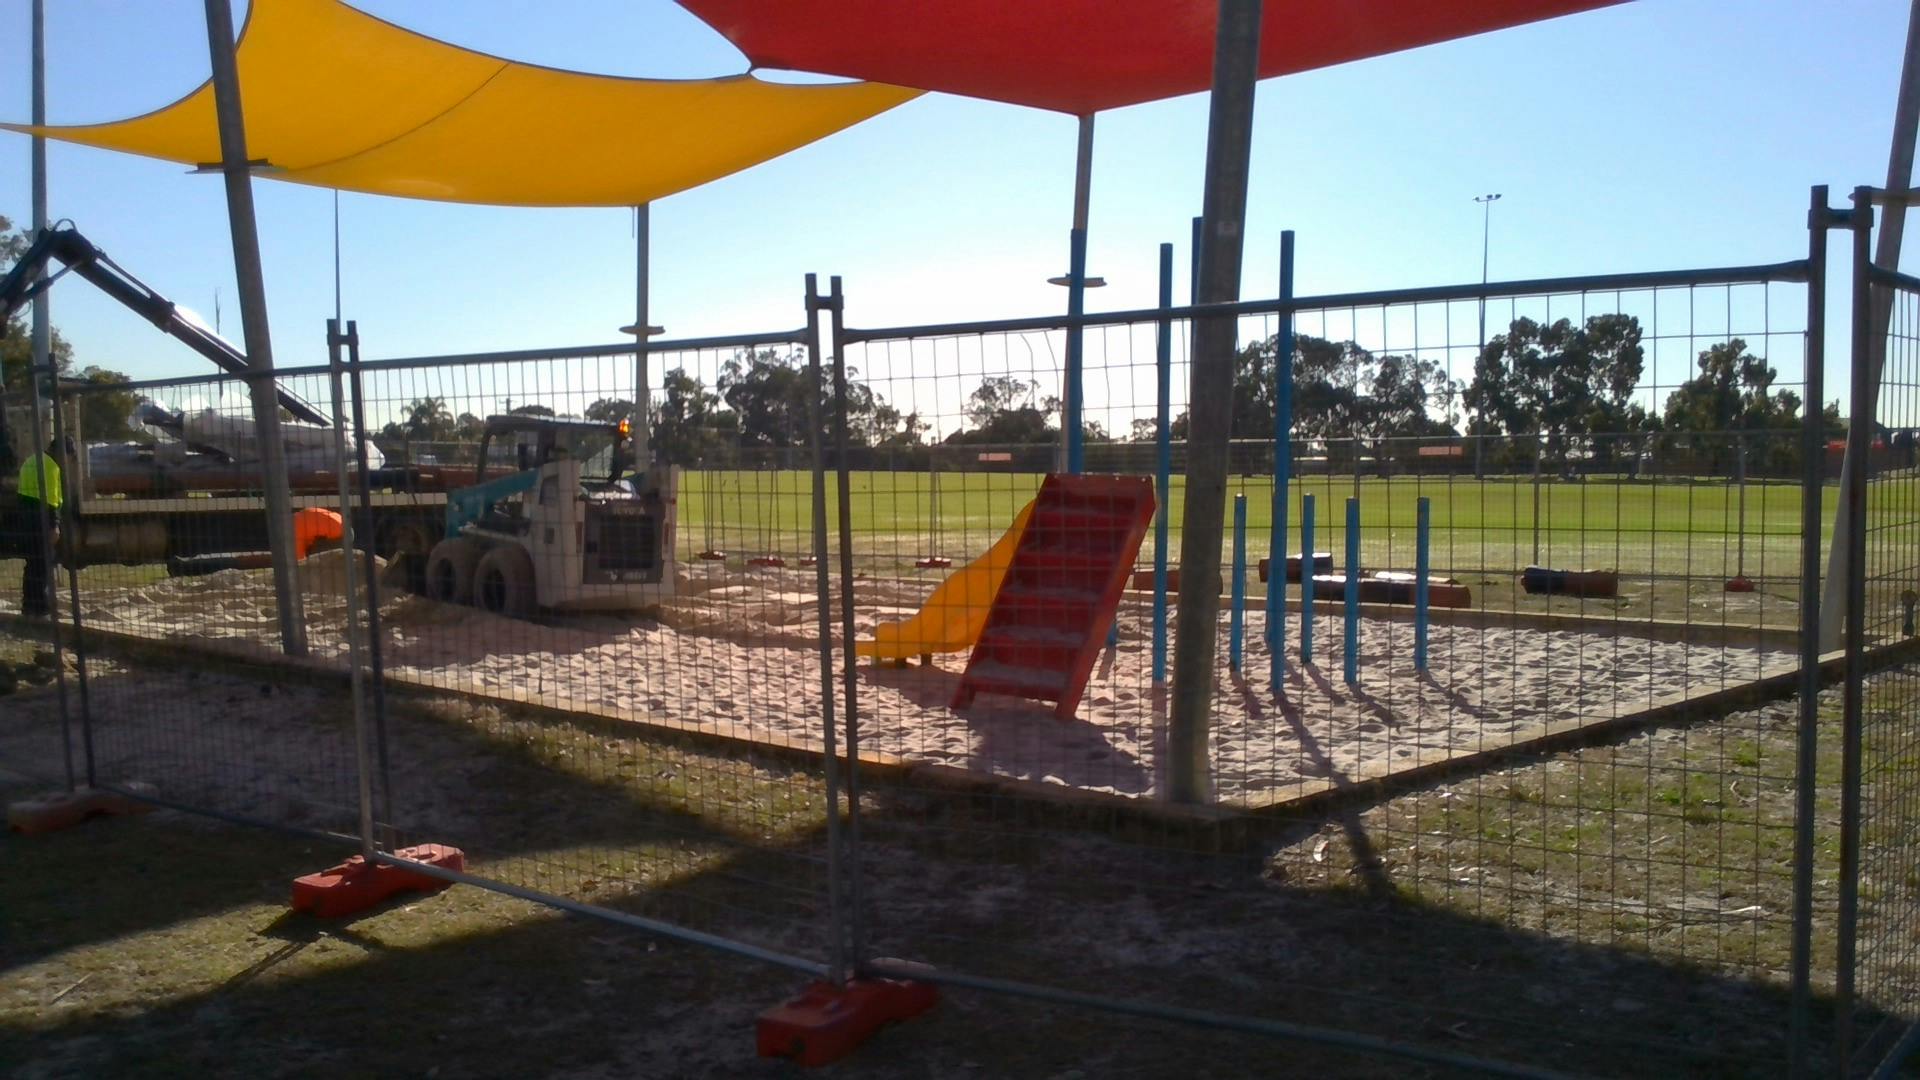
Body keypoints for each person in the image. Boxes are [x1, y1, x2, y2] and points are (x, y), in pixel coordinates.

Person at [15, 438, 67, 619]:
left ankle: (28, 606)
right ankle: (42, 609)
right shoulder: (51, 466)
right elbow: (51, 499)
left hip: (26, 518)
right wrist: (55, 525)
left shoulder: (32, 460)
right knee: (44, 565)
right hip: (42, 520)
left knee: (31, 566)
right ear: (60, 453)